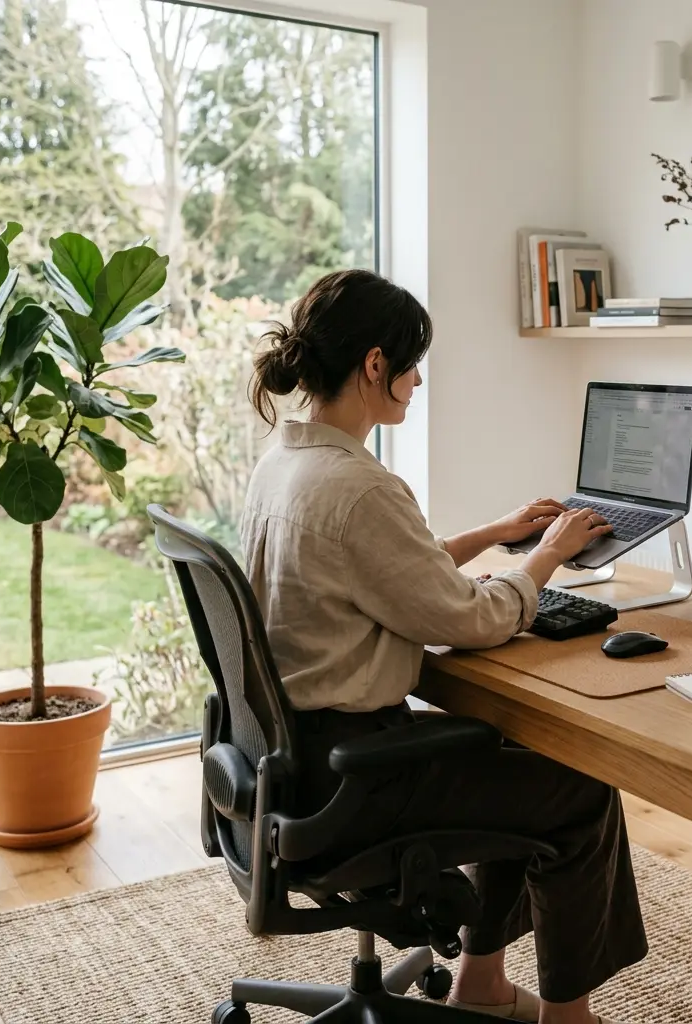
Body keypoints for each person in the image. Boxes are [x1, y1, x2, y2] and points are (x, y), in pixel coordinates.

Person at [241, 269, 648, 1024]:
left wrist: (497, 534)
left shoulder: (285, 465)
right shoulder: (358, 488)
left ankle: (484, 985)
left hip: (293, 766)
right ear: (373, 366)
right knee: (581, 788)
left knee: (501, 750)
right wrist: (547, 556)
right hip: (354, 782)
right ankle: (569, 1017)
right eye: (411, 361)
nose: (418, 378)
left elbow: (391, 572)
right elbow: (471, 619)